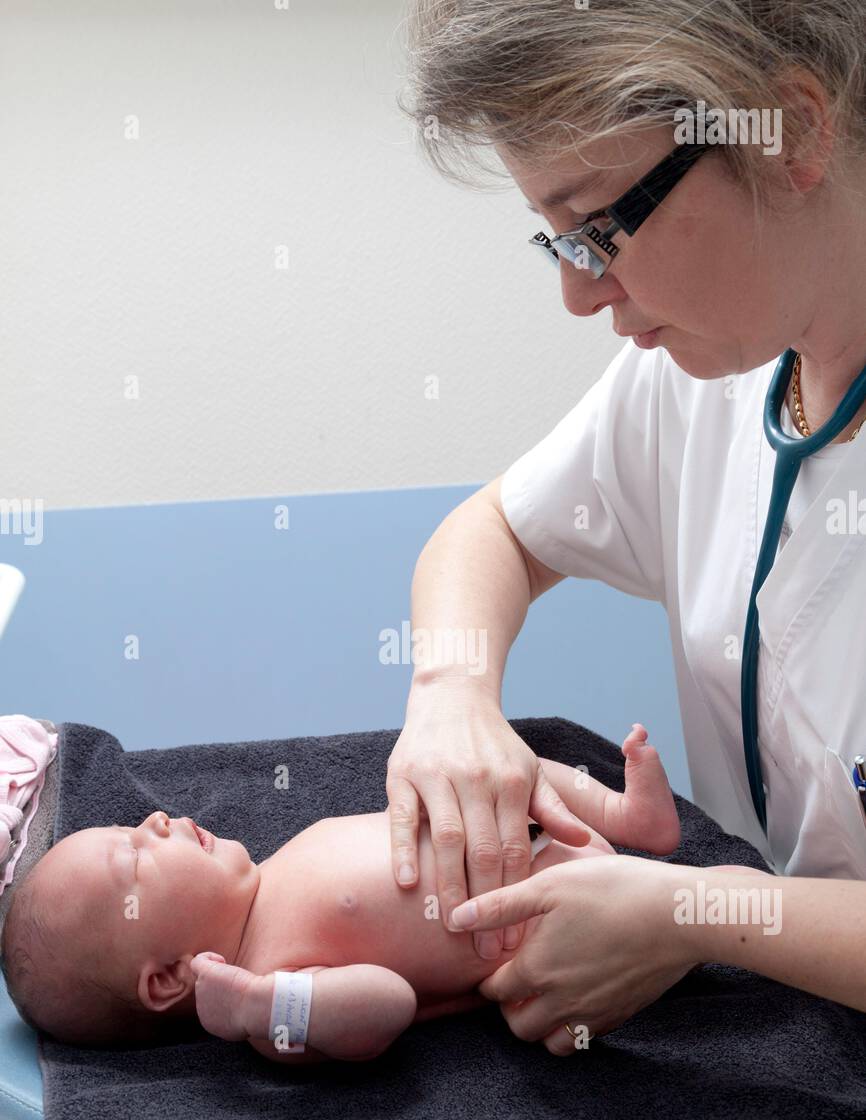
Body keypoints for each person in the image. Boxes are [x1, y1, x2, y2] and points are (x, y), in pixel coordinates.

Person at [386, 0, 866, 1049]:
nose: (574, 292)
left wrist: (689, 912)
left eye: (597, 226)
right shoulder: (709, 378)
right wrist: (450, 693)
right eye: (552, 238)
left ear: (786, 133)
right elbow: (493, 536)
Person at [0, 727, 681, 1057]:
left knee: (505, 769)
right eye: (134, 858)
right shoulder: (271, 978)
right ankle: (671, 898)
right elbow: (387, 1006)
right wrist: (258, 1010)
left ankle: (623, 817)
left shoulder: (275, 871)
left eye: (130, 825)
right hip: (562, 919)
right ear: (170, 978)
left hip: (515, 832)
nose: (153, 821)